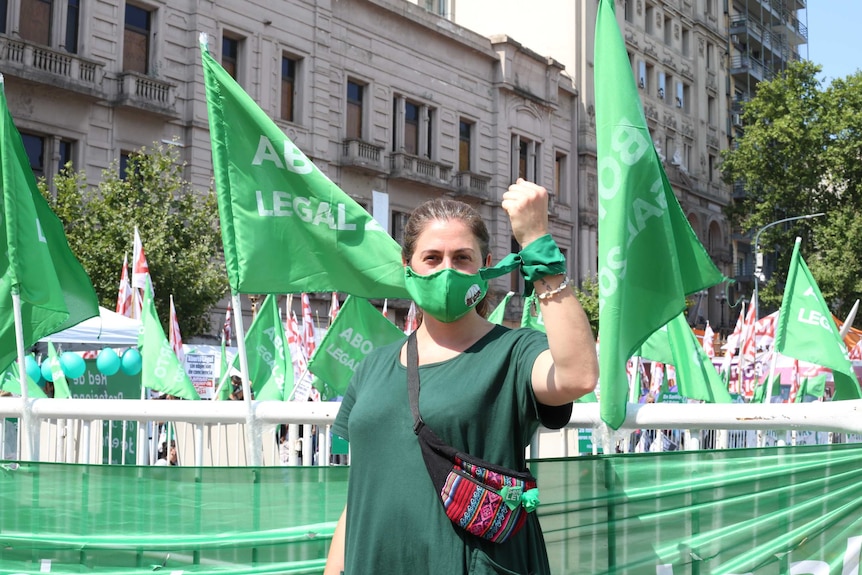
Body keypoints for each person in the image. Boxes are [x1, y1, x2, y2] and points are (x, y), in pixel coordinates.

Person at [324, 179, 598, 574]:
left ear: (486, 267)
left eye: (462, 258)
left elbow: (578, 375)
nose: (447, 271)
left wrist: (538, 244)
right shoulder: (373, 366)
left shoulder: (515, 352)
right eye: (432, 258)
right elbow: (361, 493)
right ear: (409, 268)